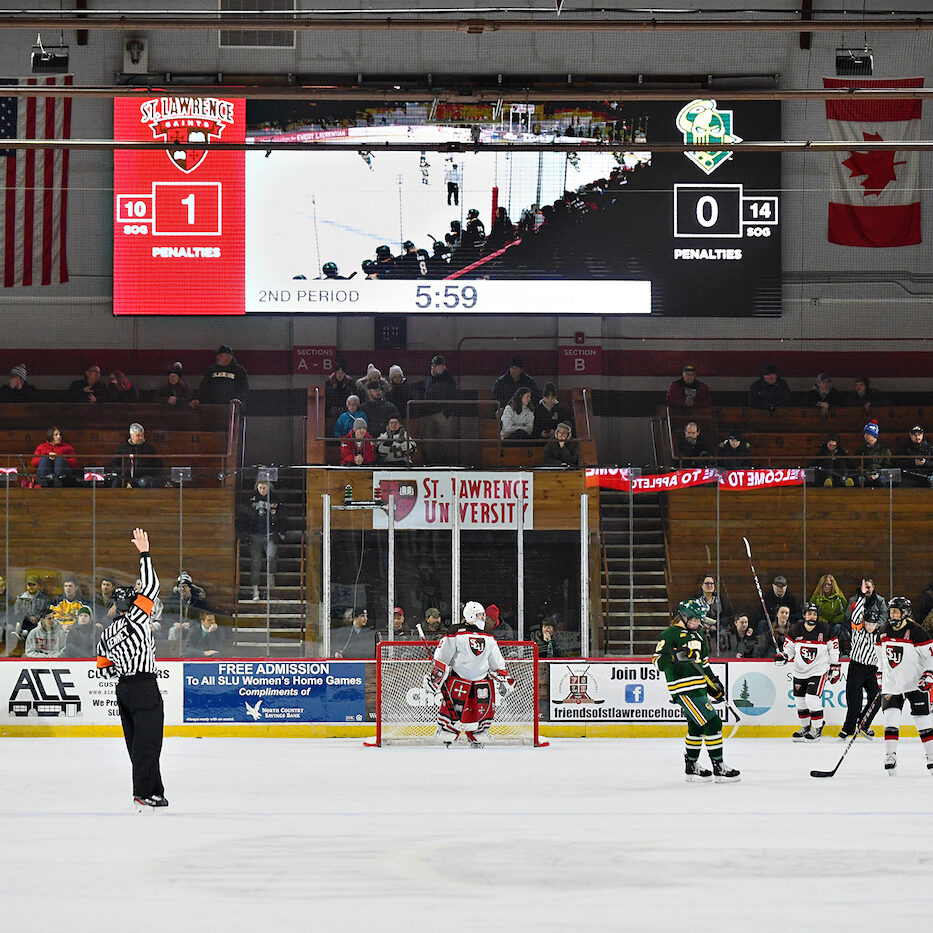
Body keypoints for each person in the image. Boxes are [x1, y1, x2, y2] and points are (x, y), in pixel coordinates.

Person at [96, 528, 167, 809]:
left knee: (136, 741)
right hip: (143, 686)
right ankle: (143, 792)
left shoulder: (108, 632)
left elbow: (103, 668)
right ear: (132, 604)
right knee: (149, 742)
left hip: (123, 688)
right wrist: (145, 554)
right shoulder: (136, 619)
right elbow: (151, 587)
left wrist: (119, 671)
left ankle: (154, 789)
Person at [652, 598, 740, 782]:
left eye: (700, 619)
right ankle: (719, 767)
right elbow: (658, 662)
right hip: (683, 689)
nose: (699, 622)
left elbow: (703, 664)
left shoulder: (699, 635)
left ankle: (691, 766)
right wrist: (676, 656)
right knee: (713, 723)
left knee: (696, 727)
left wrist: (713, 683)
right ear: (683, 616)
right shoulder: (669, 634)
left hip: (698, 688)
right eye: (695, 619)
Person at [429, 601, 516, 747]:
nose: (483, 618)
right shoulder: (455, 632)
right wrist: (436, 676)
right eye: (480, 615)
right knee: (454, 709)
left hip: (481, 680)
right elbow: (443, 657)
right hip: (459, 679)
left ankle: (478, 733)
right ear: (471, 615)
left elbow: (496, 662)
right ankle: (448, 732)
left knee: (482, 709)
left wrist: (504, 678)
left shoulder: (489, 637)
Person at [876, 596, 933, 776]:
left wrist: (929, 674)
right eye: (891, 611)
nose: (892, 614)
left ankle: (931, 757)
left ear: (905, 613)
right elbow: (881, 658)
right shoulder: (883, 632)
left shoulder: (917, 632)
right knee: (890, 719)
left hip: (915, 683)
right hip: (892, 684)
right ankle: (890, 755)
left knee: (923, 721)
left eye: (896, 611)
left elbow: (930, 656)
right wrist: (879, 674)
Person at [776, 602, 840, 742]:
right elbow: (789, 649)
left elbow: (834, 649)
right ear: (804, 615)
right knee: (799, 701)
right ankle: (805, 727)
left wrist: (835, 666)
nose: (812, 616)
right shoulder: (795, 629)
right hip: (799, 671)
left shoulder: (825, 629)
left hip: (818, 670)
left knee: (811, 698)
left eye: (815, 614)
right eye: (809, 613)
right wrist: (784, 656)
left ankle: (817, 728)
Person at [838, 596, 883, 740]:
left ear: (877, 624)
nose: (870, 626)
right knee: (854, 704)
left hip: (871, 671)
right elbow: (856, 616)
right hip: (856, 669)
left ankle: (864, 724)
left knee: (877, 699)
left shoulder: (880, 636)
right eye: (868, 623)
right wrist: (862, 598)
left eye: (873, 623)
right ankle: (848, 729)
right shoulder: (858, 632)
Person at [240, 477, 287, 602]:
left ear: (268, 487)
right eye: (260, 488)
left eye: (264, 488)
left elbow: (282, 515)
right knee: (256, 562)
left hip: (270, 533)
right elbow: (244, 516)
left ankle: (270, 581)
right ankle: (255, 589)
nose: (262, 490)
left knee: (271, 556)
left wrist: (282, 531)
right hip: (255, 534)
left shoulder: (275, 498)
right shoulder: (250, 499)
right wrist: (245, 533)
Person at [421, 355, 458, 466]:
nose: (434, 368)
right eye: (433, 365)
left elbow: (443, 393)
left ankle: (449, 464)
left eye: (437, 366)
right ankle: (430, 464)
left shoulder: (448, 378)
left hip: (443, 412)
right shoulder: (429, 377)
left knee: (446, 439)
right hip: (429, 412)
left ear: (443, 367)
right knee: (428, 439)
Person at [109, 422, 162, 488]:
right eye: (138, 435)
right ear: (131, 435)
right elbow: (113, 464)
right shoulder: (122, 448)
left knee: (146, 482)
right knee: (116, 482)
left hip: (143, 477)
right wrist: (124, 472)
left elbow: (157, 466)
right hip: (125, 477)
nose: (141, 437)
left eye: (142, 435)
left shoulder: (149, 449)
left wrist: (146, 472)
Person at [844, 577, 887, 656]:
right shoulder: (853, 600)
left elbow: (883, 617)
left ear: (873, 587)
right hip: (858, 630)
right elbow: (848, 617)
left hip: (875, 630)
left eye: (868, 587)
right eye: (864, 587)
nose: (866, 590)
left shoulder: (880, 601)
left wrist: (874, 626)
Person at [9, 574, 51, 654]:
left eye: (33, 584)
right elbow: (16, 612)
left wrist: (38, 618)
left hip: (39, 623)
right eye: (29, 584)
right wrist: (28, 617)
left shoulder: (44, 599)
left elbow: (47, 612)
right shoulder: (20, 599)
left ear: (38, 585)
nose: (31, 586)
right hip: (24, 622)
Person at [854, 420, 892, 488]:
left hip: (879, 475)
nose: (865, 436)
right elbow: (857, 464)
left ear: (873, 435)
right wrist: (866, 473)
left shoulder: (884, 449)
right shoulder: (861, 448)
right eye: (865, 434)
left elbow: (888, 464)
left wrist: (878, 474)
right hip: (865, 475)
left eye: (868, 434)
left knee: (883, 481)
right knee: (860, 480)